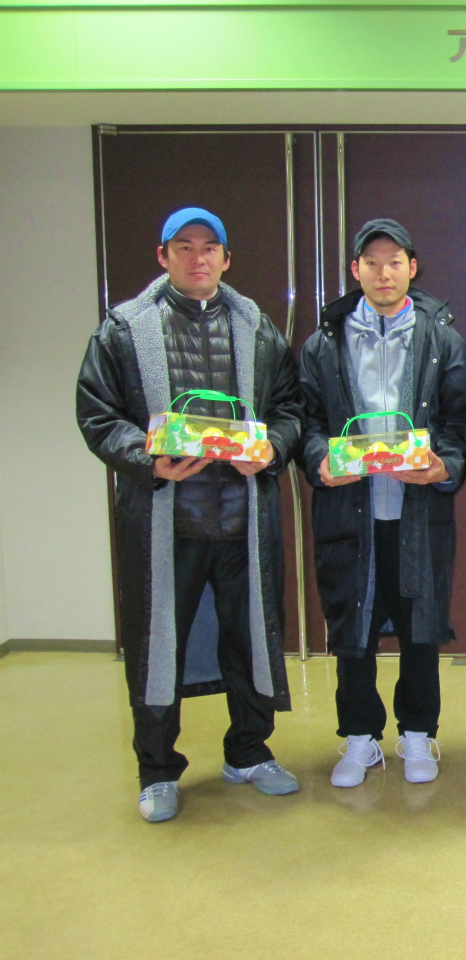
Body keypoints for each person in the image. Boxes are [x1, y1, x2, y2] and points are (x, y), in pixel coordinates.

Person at [77, 207, 303, 823]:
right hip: (163, 522)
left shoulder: (257, 328)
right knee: (157, 648)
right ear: (163, 256)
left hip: (242, 520)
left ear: (226, 259)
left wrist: (271, 450)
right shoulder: (124, 329)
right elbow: (98, 415)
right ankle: (156, 770)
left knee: (249, 640)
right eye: (184, 247)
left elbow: (290, 409)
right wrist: (148, 458)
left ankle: (249, 753)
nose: (197, 258)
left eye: (209, 248)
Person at [298, 219, 466, 788]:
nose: (383, 272)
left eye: (394, 261)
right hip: (350, 509)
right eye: (371, 262)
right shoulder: (324, 341)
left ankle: (418, 733)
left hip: (416, 508)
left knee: (420, 625)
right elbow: (305, 420)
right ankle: (360, 738)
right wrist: (319, 458)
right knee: (353, 626)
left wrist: (445, 466)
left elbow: (459, 425)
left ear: (412, 268)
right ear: (355, 270)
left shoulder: (441, 340)